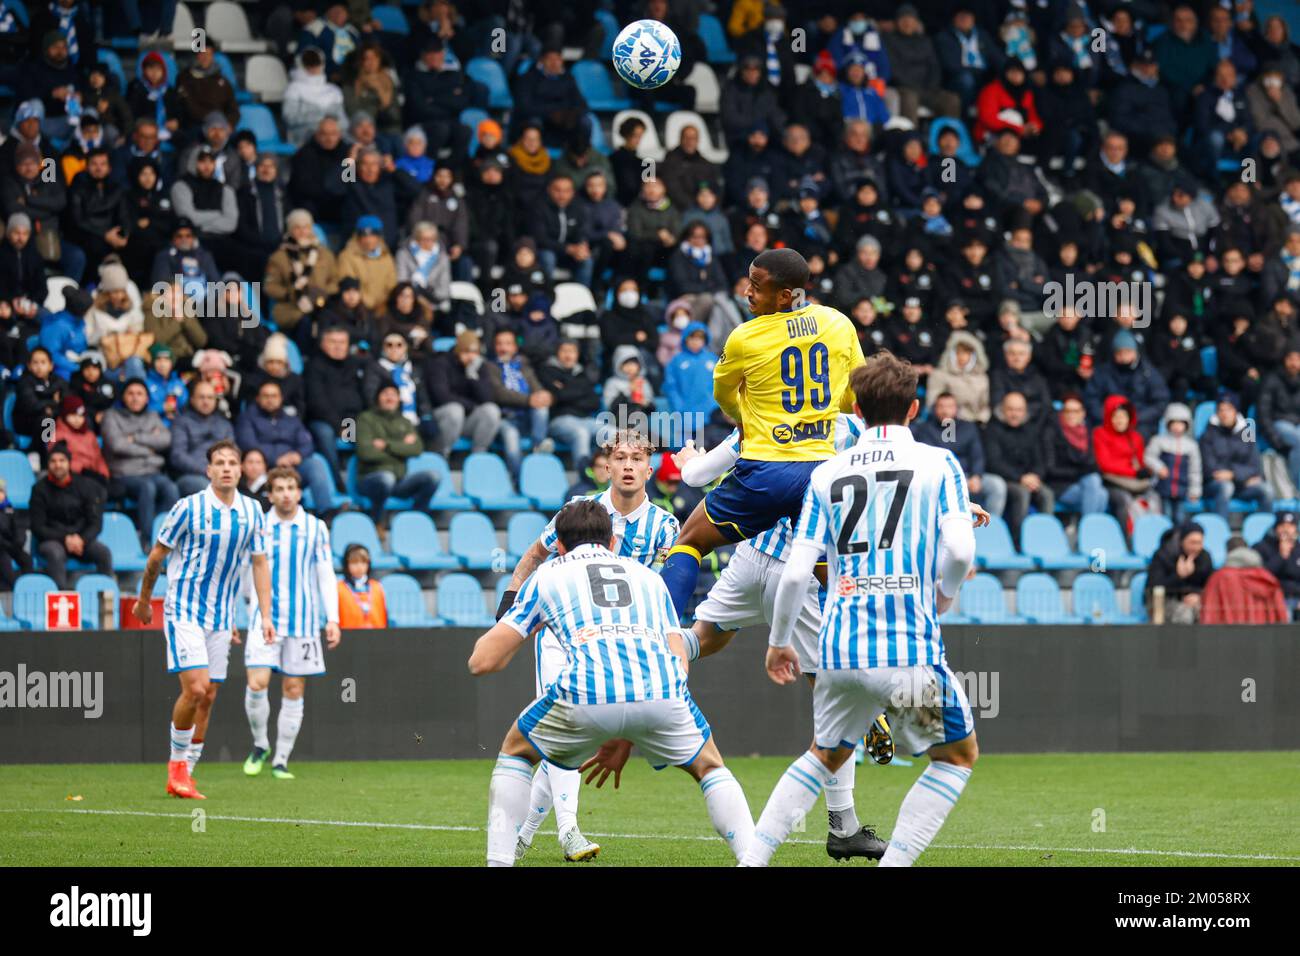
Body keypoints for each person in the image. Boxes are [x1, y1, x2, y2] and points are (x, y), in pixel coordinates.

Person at [739, 352, 978, 867]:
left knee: (825, 753)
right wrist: (944, 596)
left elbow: (799, 570)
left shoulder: (827, 473)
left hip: (838, 649)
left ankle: (750, 861)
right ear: (914, 409)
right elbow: (959, 552)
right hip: (905, 651)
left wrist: (779, 642)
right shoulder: (940, 464)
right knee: (956, 757)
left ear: (857, 408)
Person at [670, 412, 923, 861]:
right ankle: (842, 824)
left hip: (751, 555)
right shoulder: (854, 431)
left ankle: (651, 664)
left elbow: (696, 475)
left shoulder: (764, 411)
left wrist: (690, 457)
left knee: (705, 637)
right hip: (801, 567)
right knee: (834, 696)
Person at [472, 499, 752, 867]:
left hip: (584, 691)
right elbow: (678, 655)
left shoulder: (549, 574)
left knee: (517, 751)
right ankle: (752, 858)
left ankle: (500, 862)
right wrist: (630, 727)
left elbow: (483, 662)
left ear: (558, 546)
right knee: (710, 767)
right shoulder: (650, 580)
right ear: (613, 543)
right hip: (664, 690)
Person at [499, 432, 679, 863]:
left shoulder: (665, 526)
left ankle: (521, 835)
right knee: (569, 723)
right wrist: (511, 596)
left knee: (575, 737)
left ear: (649, 470)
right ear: (608, 467)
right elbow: (536, 553)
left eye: (638, 458)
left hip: (619, 640)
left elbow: (660, 588)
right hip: (563, 632)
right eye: (621, 457)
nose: (629, 465)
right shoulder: (579, 513)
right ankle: (569, 831)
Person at [659, 248, 865, 617]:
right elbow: (855, 397)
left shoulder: (745, 337)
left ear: (785, 295)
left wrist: (744, 419)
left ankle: (658, 638)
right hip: (820, 473)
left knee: (689, 542)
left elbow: (721, 394)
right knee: (823, 564)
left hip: (766, 471)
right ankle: (858, 641)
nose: (747, 293)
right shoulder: (838, 324)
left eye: (756, 286)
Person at [132, 439, 274, 800]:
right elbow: (156, 558)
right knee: (194, 688)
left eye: (232, 462)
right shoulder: (187, 509)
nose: (226, 468)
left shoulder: (253, 512)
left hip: (221, 617)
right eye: (219, 463)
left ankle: (188, 775)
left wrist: (265, 615)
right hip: (183, 610)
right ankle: (176, 768)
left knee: (208, 696)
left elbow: (259, 563)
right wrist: (144, 601)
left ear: (241, 470)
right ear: (208, 470)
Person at [240, 466, 340, 781]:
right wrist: (243, 610)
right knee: (257, 683)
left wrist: (333, 618)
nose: (286, 494)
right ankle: (260, 745)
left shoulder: (315, 528)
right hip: (264, 618)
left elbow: (326, 573)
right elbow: (245, 571)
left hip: (304, 621)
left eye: (291, 488)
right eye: (279, 488)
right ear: (269, 495)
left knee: (294, 687)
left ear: (299, 492)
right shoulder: (258, 526)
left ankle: (281, 759)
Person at [235, 379, 335, 517]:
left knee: (315, 464)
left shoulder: (291, 420)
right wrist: (276, 459)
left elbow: (307, 443)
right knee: (254, 461)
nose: (270, 400)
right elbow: (248, 445)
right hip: (266, 468)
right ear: (258, 398)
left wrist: (297, 455)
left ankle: (326, 512)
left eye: (274, 396)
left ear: (281, 398)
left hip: (292, 467)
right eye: (266, 396)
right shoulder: (247, 418)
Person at [103, 378, 179, 546]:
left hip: (152, 471)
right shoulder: (112, 416)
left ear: (146, 398)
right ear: (123, 397)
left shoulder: (152, 416)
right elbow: (117, 445)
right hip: (125, 474)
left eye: (140, 394)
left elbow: (166, 439)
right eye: (130, 393)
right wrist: (150, 448)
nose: (135, 398)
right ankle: (147, 540)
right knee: (147, 488)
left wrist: (135, 438)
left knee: (171, 488)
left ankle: (166, 538)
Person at [29, 442, 113, 589]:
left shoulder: (85, 486)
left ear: (69, 463)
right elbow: (38, 527)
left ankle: (106, 598)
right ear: (48, 464)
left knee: (103, 553)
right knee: (55, 553)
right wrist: (65, 539)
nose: (58, 465)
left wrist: (81, 539)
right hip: (52, 539)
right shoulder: (39, 490)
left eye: (62, 461)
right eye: (53, 461)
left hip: (81, 539)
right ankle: (62, 602)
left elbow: (95, 522)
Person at [354, 381, 437, 521]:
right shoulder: (365, 419)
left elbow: (417, 449)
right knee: (386, 478)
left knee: (433, 477)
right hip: (370, 479)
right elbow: (365, 452)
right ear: (377, 397)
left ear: (399, 399)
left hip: (400, 481)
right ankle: (377, 521)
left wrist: (386, 445)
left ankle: (417, 519)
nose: (390, 398)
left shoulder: (405, 421)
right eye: (385, 394)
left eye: (394, 395)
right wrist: (402, 449)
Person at [426, 330, 505, 460]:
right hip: (443, 416)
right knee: (455, 410)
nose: (470, 356)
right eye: (466, 352)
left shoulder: (478, 366)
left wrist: (473, 377)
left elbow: (488, 399)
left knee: (492, 410)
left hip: (467, 420)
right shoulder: (441, 362)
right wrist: (471, 406)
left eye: (474, 353)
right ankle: (442, 455)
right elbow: (441, 396)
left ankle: (478, 456)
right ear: (458, 350)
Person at [1200, 393, 1272, 520]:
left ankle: (1265, 534)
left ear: (1235, 411)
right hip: (1215, 485)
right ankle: (1221, 532)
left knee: (1266, 490)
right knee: (1226, 487)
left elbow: (1255, 466)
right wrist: (1239, 476)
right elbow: (1209, 467)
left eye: (1228, 409)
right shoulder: (1208, 434)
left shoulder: (1247, 433)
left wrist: (1234, 475)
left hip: (1242, 485)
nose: (1224, 413)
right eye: (1220, 410)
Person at [1040, 394, 1110, 517]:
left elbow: (1092, 463)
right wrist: (1079, 472)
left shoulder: (1087, 433)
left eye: (1076, 411)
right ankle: (1088, 531)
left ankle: (1084, 529)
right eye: (1067, 411)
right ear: (1062, 413)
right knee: (1097, 489)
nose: (1071, 415)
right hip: (1060, 485)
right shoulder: (1051, 432)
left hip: (1084, 483)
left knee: (1101, 492)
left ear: (1083, 414)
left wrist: (1083, 472)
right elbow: (1050, 469)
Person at [170, 381, 236, 496]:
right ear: (192, 399)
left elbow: (233, 454)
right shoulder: (181, 422)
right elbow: (178, 456)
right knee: (211, 490)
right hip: (190, 476)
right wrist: (207, 470)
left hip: (221, 475)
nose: (206, 402)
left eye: (210, 397)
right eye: (201, 397)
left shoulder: (224, 424)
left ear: (216, 400)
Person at [1143, 403, 1204, 522]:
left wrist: (1194, 490)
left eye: (1181, 423)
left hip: (1182, 490)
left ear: (1187, 425)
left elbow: (1195, 470)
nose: (1177, 426)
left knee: (1179, 518)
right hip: (1163, 489)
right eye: (1174, 422)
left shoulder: (1191, 446)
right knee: (1165, 516)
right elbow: (1148, 457)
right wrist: (1159, 467)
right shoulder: (1159, 441)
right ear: (1168, 423)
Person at [1146, 523, 1214, 624]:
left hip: (1194, 599)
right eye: (1192, 543)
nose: (1196, 547)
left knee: (1206, 611)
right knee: (1184, 615)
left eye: (1199, 543)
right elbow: (1153, 587)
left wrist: (1199, 596)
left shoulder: (1204, 557)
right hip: (1166, 600)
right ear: (1182, 541)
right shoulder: (1163, 555)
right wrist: (1178, 576)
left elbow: (1211, 585)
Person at [51, 394, 109, 486]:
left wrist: (104, 474)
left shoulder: (90, 435)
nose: (77, 420)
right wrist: (82, 470)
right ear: (64, 415)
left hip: (94, 475)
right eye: (73, 415)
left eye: (80, 416)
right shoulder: (57, 435)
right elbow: (57, 460)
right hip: (74, 476)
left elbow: (99, 458)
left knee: (118, 489)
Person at [1256, 511, 1300, 617]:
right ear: (1275, 528)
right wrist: (1281, 556)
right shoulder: (1262, 547)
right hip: (1273, 598)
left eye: (1290, 526)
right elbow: (1262, 575)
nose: (1286, 530)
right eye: (1282, 526)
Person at [337, 543, 387, 628]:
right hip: (348, 637)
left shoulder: (377, 587)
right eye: (354, 562)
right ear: (346, 564)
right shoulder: (339, 588)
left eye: (363, 562)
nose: (359, 567)